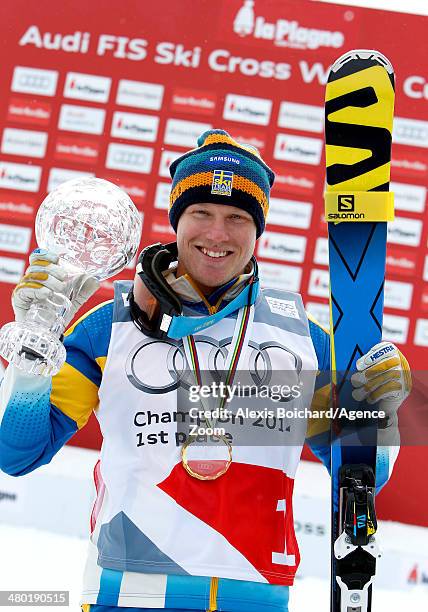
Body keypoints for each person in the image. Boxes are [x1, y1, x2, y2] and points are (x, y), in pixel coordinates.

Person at [0, 130, 411, 612]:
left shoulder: (303, 338)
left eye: (237, 217)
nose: (217, 234)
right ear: (177, 220)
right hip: (128, 592)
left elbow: (361, 476)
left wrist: (380, 417)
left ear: (259, 230)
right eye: (201, 213)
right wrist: (32, 356)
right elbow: (16, 454)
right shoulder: (109, 326)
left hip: (255, 596)